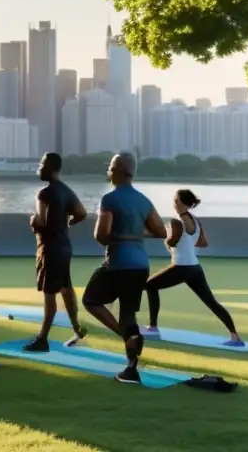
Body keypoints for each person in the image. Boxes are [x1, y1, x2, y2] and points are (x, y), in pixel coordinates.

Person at [83, 153, 167, 385]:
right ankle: (131, 370)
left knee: (90, 300)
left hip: (118, 263)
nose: (108, 172)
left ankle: (127, 336)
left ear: (119, 171)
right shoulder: (143, 201)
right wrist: (135, 234)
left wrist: (120, 236)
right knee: (128, 314)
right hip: (140, 266)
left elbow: (101, 236)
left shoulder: (110, 199)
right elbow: (161, 231)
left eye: (110, 168)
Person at [145, 189, 242, 343]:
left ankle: (153, 328)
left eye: (175, 200)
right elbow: (203, 243)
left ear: (178, 202)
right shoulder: (196, 220)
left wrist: (167, 238)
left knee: (150, 285)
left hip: (181, 267)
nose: (174, 203)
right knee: (212, 302)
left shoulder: (176, 220)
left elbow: (172, 242)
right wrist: (187, 244)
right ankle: (235, 336)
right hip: (195, 268)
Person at [24, 152, 89, 352]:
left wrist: (32, 220)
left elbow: (41, 221)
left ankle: (42, 339)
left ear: (50, 167)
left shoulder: (44, 193)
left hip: (49, 248)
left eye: (42, 163)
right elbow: (82, 213)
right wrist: (67, 223)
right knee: (65, 288)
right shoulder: (66, 191)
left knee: (50, 294)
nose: (39, 166)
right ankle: (77, 327)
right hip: (64, 247)